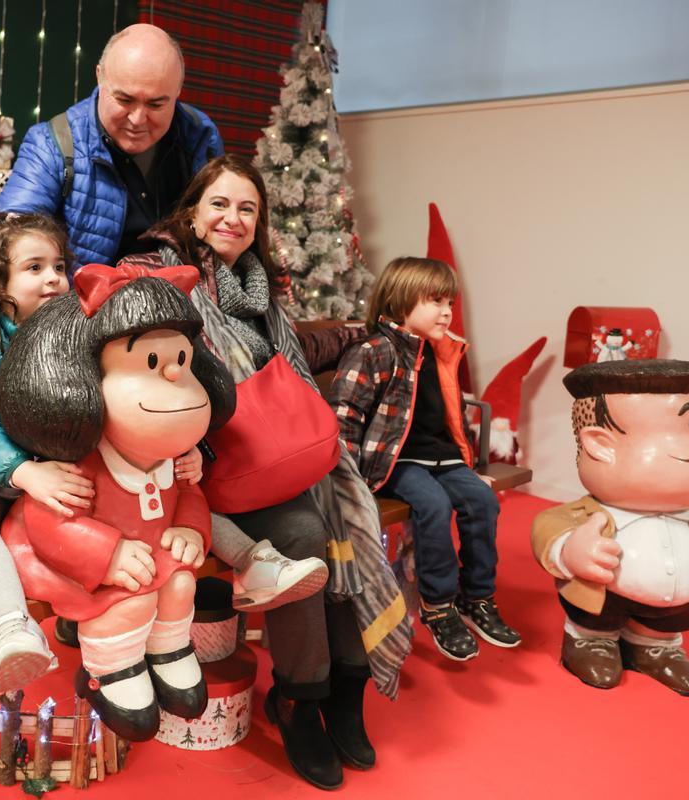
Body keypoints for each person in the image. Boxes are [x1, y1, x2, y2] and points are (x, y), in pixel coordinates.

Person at [0, 212, 327, 694]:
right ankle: (12, 626)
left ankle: (251, 562)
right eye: (33, 268)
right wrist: (24, 472)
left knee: (171, 486)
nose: (52, 277)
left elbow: (133, 401)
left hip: (71, 470)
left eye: (58, 266)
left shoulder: (82, 327)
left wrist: (187, 448)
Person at [119, 155, 412, 791]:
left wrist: (357, 335)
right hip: (195, 475)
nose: (233, 218)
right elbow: (133, 375)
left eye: (247, 209)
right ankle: (301, 699)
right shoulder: (160, 279)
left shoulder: (259, 291)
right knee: (306, 536)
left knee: (338, 524)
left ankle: (344, 686)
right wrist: (178, 450)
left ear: (260, 222)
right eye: (220, 204)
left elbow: (293, 364)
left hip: (269, 462)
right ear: (193, 211)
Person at [0, 265, 237, 741]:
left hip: (152, 550)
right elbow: (51, 523)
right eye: (151, 363)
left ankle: (169, 650)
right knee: (126, 602)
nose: (174, 376)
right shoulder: (80, 464)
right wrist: (105, 554)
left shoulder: (171, 457)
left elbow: (188, 495)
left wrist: (190, 528)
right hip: (89, 562)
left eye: (182, 361)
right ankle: (115, 668)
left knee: (181, 585)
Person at [0, 23, 224, 369]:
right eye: (124, 99)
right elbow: (6, 223)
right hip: (85, 334)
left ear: (178, 92)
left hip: (176, 330)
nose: (137, 118)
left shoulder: (198, 136)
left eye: (157, 104)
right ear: (100, 77)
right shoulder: (55, 142)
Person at [333, 257, 521, 664]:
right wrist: (346, 478)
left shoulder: (442, 353)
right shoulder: (374, 351)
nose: (446, 311)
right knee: (433, 506)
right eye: (434, 301)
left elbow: (451, 416)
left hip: (446, 459)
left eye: (448, 301)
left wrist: (470, 466)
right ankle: (440, 605)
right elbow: (345, 416)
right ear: (400, 302)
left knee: (482, 502)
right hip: (398, 462)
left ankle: (478, 597)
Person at [532, 359, 689, 696]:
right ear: (600, 445)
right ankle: (591, 642)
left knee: (664, 624)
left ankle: (655, 647)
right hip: (604, 601)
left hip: (671, 610)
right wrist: (569, 550)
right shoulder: (592, 514)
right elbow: (548, 525)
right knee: (594, 618)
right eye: (686, 426)